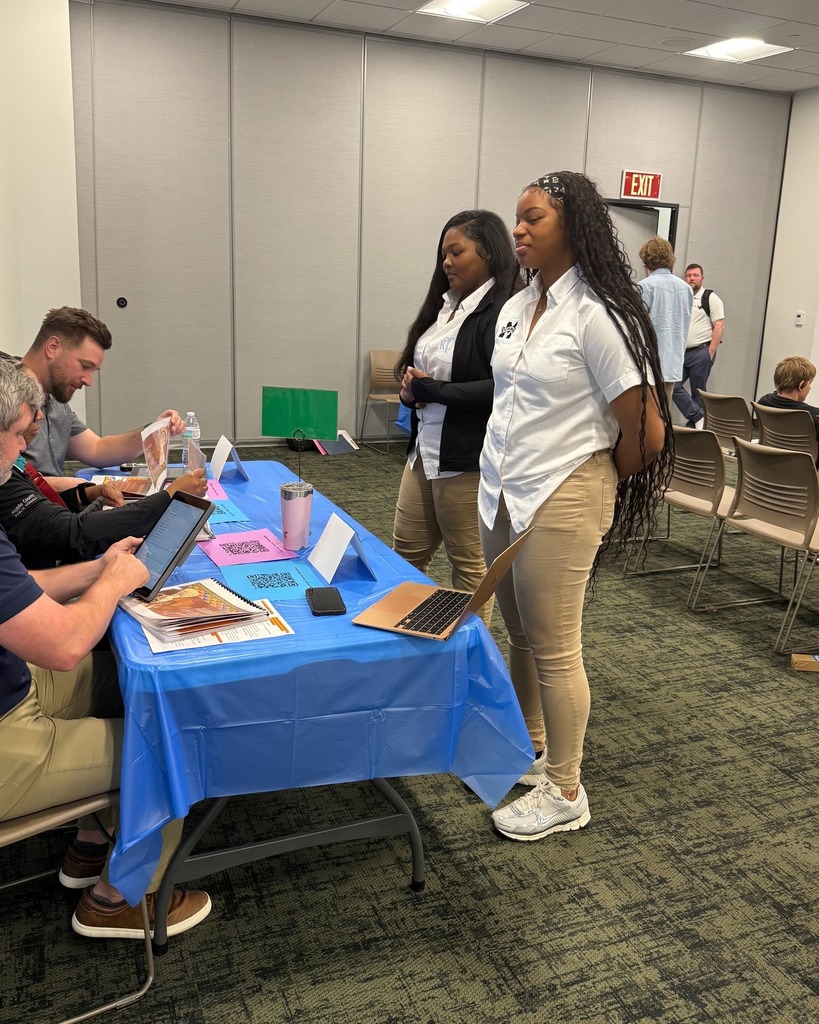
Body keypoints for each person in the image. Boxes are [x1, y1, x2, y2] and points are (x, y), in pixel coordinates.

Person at [480, 171, 671, 842]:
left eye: (533, 217)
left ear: (574, 225)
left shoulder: (597, 313)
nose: (518, 229)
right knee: (521, 636)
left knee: (556, 647)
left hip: (563, 491)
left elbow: (645, 434)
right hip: (503, 488)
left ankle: (566, 789)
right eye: (516, 218)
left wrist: (588, 481)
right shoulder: (515, 305)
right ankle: (534, 751)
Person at [0, 360, 210, 939]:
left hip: (14, 689)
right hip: (8, 739)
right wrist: (115, 583)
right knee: (172, 738)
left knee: (127, 681)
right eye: (19, 436)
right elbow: (64, 645)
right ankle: (120, 902)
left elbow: (23, 589)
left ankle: (92, 843)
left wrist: (99, 567)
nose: (25, 453)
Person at [393, 209, 520, 627]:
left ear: (487, 252)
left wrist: (432, 390)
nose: (446, 262)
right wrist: (412, 392)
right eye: (443, 254)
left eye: (456, 252)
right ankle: (408, 648)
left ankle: (465, 662)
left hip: (467, 461)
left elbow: (500, 387)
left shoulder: (504, 310)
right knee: (405, 557)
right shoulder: (445, 307)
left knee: (468, 569)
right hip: (424, 455)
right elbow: (429, 375)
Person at [1, 398, 207, 569]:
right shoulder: (5, 473)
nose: (40, 415)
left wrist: (83, 495)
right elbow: (72, 534)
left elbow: (38, 512)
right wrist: (169, 497)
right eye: (18, 433)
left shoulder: (11, 465)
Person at [8, 306, 184, 475]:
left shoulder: (54, 396)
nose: (88, 381)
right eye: (84, 366)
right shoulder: (7, 397)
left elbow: (96, 449)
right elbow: (12, 484)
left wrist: (154, 430)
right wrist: (84, 490)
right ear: (53, 347)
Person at [636, 237, 693, 404]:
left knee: (644, 420)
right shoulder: (686, 289)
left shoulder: (643, 287)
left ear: (646, 261)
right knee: (663, 417)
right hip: (672, 363)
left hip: (647, 366)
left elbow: (636, 329)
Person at [672, 264, 725, 427]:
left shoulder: (710, 298)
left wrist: (711, 351)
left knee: (698, 391)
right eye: (688, 275)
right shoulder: (681, 297)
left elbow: (719, 325)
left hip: (701, 352)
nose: (691, 278)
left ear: (702, 278)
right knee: (672, 385)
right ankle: (698, 417)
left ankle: (696, 428)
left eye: (695, 275)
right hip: (681, 353)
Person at [757, 355, 819, 439]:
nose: (810, 387)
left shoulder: (763, 402)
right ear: (801, 385)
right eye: (810, 383)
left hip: (769, 451)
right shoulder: (814, 416)